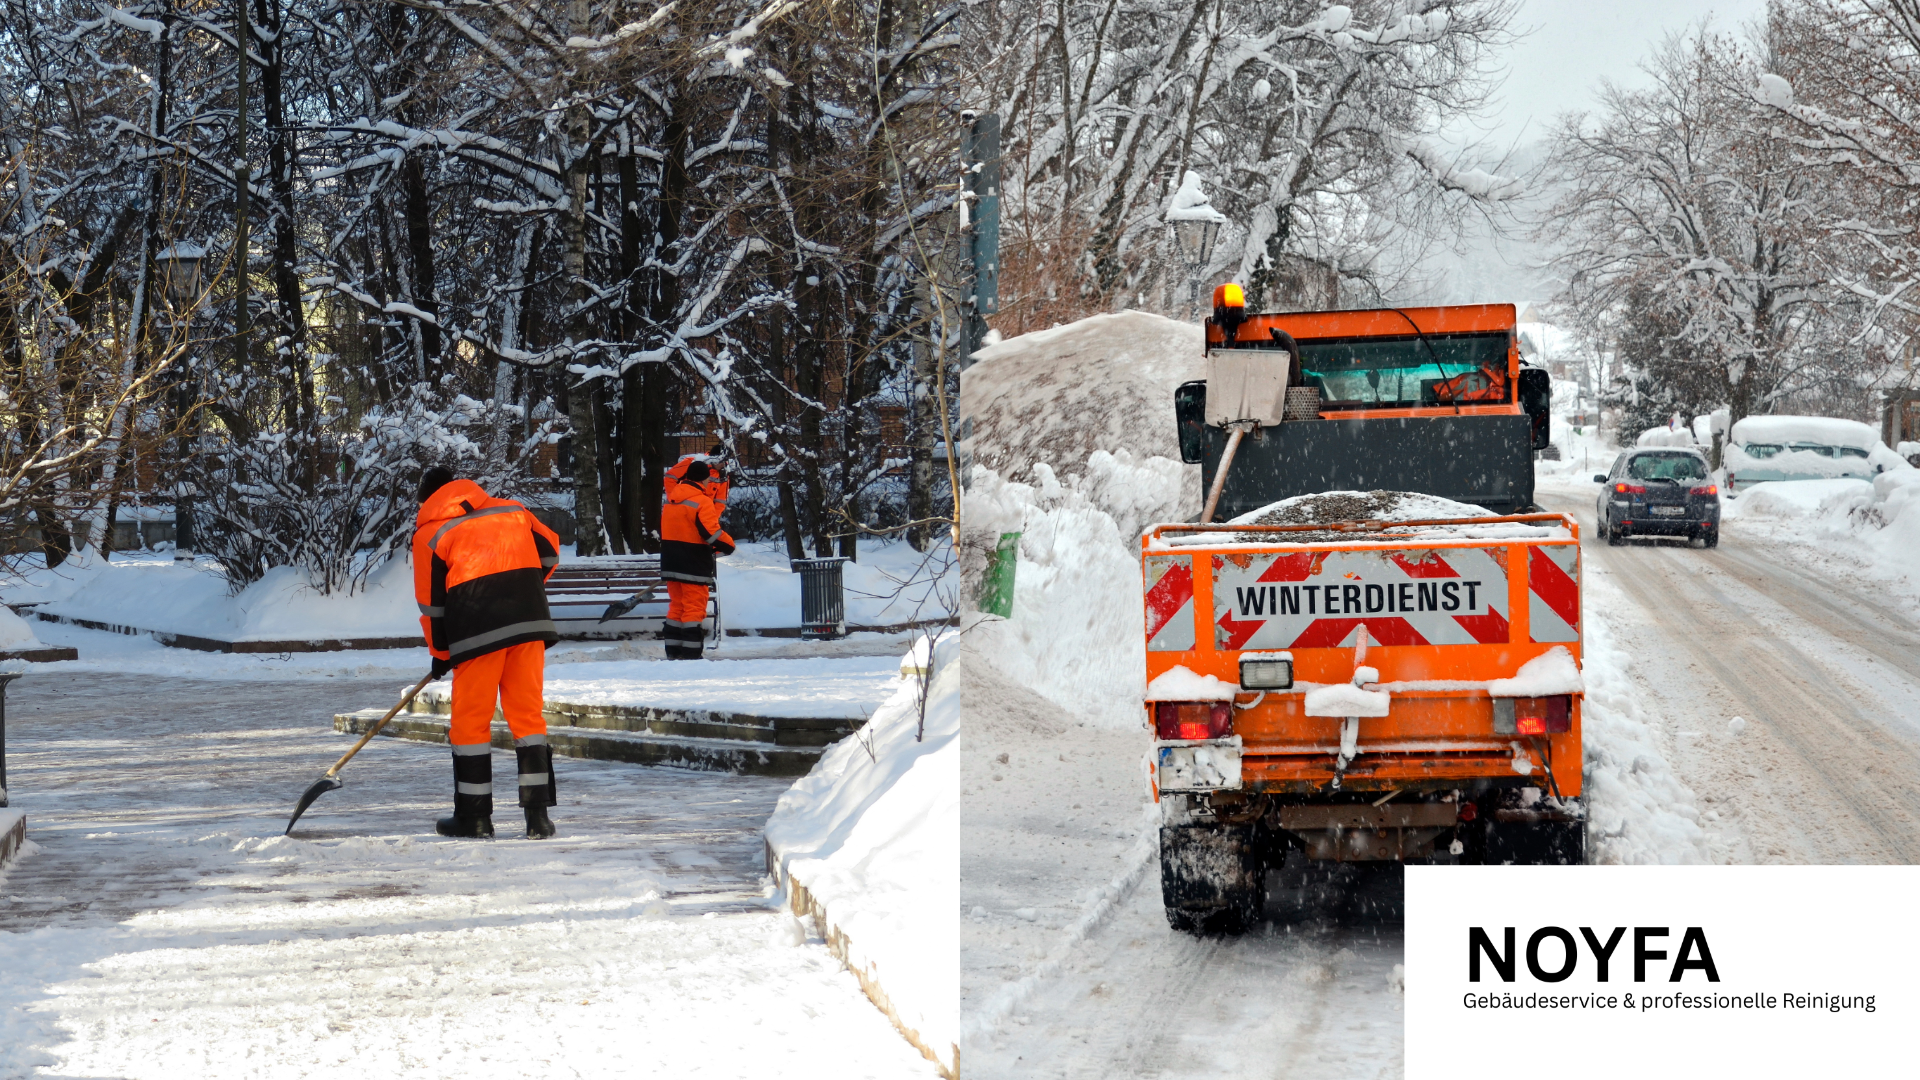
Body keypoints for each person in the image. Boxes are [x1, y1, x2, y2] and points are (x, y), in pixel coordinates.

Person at [413, 466, 563, 839]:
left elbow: (432, 604)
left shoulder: (431, 533)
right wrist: (518, 589)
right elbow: (550, 553)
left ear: (428, 499)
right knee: (528, 718)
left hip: (476, 632)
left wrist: (441, 650)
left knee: (471, 723)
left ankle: (474, 818)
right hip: (528, 626)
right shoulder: (512, 510)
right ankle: (538, 818)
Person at [660, 459, 735, 660]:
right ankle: (692, 654)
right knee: (694, 608)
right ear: (704, 479)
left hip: (671, 561)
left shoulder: (672, 499)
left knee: (677, 606)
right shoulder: (701, 501)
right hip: (693, 562)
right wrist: (729, 545)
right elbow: (710, 532)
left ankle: (673, 651)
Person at [665, 444, 730, 510]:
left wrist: (711, 517)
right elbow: (670, 478)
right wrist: (674, 499)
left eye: (725, 462)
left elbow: (720, 501)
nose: (723, 464)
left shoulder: (723, 474)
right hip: (682, 510)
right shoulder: (693, 462)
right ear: (713, 458)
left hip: (703, 513)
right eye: (720, 461)